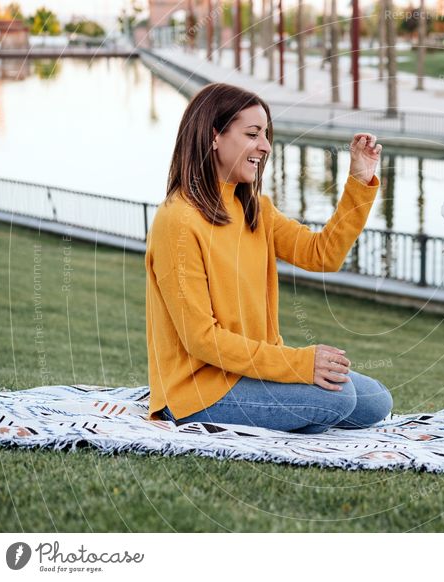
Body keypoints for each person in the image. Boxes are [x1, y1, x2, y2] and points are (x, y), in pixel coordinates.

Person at [145, 82, 393, 434]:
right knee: (338, 400)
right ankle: (290, 416)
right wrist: (299, 364)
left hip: (250, 372)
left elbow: (323, 255)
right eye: (252, 134)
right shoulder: (178, 221)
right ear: (214, 136)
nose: (265, 146)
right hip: (198, 390)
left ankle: (292, 413)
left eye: (265, 134)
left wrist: (359, 181)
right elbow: (200, 339)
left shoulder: (255, 208)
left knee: (376, 400)